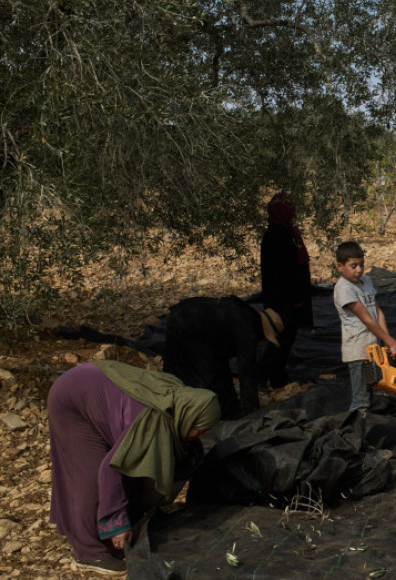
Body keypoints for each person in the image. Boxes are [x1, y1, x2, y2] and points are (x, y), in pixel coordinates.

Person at [48, 360, 220, 576]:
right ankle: (88, 552)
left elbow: (136, 466)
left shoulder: (178, 406)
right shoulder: (152, 422)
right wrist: (117, 522)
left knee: (133, 461)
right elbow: (112, 469)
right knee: (88, 476)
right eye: (199, 429)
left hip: (96, 385)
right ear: (188, 416)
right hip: (73, 397)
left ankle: (109, 537)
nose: (201, 436)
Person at [163, 296, 285, 419]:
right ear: (264, 332)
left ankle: (169, 402)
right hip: (193, 326)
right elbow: (247, 374)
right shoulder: (248, 330)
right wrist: (252, 415)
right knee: (204, 380)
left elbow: (221, 359)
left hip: (181, 313)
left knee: (177, 368)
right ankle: (196, 415)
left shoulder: (245, 311)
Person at [334, 240, 396, 411]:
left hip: (373, 348)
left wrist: (387, 341)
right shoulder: (344, 289)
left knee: (371, 391)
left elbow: (378, 312)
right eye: (353, 266)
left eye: (361, 265)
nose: (359, 270)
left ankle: (366, 429)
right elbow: (367, 319)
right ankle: (355, 431)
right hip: (358, 351)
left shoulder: (366, 281)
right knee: (361, 399)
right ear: (340, 266)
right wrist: (391, 341)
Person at [258, 191, 312, 387]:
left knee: (286, 335)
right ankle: (269, 374)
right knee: (282, 335)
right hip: (283, 299)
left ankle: (274, 373)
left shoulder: (286, 232)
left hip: (285, 297)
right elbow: (284, 271)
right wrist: (296, 295)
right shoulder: (277, 236)